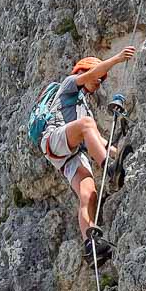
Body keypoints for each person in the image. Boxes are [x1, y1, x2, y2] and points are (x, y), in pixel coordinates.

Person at [31, 48, 137, 257]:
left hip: (70, 154)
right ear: (83, 72)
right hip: (53, 138)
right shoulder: (70, 84)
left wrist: (120, 152)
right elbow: (90, 76)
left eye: (102, 80)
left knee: (89, 194)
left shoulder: (84, 109)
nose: (99, 82)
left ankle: (91, 245)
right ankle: (109, 170)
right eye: (98, 76)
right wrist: (117, 58)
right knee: (87, 125)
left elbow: (97, 140)